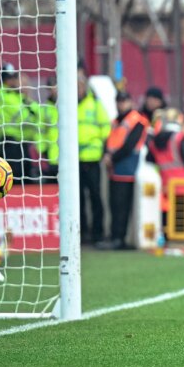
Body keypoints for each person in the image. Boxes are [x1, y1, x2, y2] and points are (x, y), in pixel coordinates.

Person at [103, 91, 150, 249]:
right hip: (114, 168)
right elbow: (109, 140)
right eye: (119, 101)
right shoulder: (116, 121)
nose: (121, 104)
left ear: (130, 102)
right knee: (114, 204)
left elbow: (129, 146)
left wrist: (111, 158)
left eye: (124, 101)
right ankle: (115, 236)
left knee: (122, 205)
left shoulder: (138, 120)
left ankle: (120, 238)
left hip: (127, 167)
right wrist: (107, 155)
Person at [147, 107, 184, 227]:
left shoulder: (154, 141)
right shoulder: (178, 138)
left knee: (168, 220)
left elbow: (150, 159)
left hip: (166, 186)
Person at [77, 71, 112, 245]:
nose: (77, 89)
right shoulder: (67, 105)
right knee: (78, 198)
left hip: (91, 158)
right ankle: (81, 232)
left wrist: (103, 150)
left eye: (79, 85)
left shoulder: (95, 104)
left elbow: (106, 129)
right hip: (74, 159)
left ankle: (98, 232)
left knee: (95, 196)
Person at [0, 64, 37, 182]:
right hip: (10, 143)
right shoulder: (5, 97)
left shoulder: (15, 95)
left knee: (24, 174)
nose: (14, 80)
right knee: (16, 177)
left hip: (20, 142)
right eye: (11, 78)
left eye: (15, 77)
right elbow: (27, 117)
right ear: (5, 80)